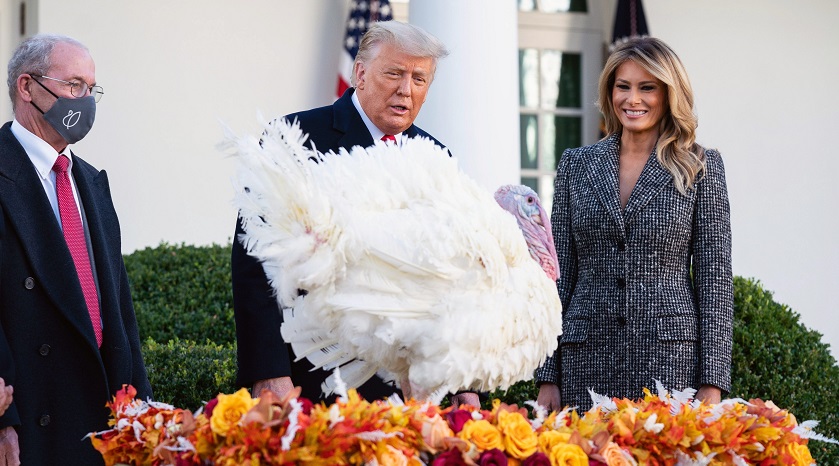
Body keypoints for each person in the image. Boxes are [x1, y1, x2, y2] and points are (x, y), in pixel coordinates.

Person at [232, 20, 479, 408]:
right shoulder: (294, 138)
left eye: (419, 78)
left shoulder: (437, 157)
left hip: (411, 391)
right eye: (394, 73)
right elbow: (255, 262)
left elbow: (455, 276)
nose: (406, 89)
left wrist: (465, 383)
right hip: (311, 381)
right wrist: (270, 373)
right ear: (360, 74)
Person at [535, 37, 732, 412]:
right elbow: (557, 274)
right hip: (584, 358)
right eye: (622, 86)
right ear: (609, 92)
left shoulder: (701, 167)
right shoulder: (576, 164)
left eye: (647, 88)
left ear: (668, 93)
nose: (633, 99)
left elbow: (715, 279)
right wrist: (548, 374)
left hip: (670, 362)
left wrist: (712, 382)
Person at [0, 34, 151, 465]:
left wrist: (141, 409)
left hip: (102, 417)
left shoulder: (91, 181)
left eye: (91, 89)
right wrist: (2, 420)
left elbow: (118, 308)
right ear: (27, 87)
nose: (86, 100)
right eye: (74, 86)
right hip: (30, 416)